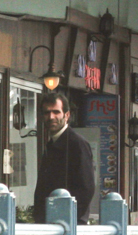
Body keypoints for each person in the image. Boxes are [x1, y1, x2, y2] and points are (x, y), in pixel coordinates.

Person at [33, 92, 95, 223]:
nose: (51, 117)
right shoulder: (52, 144)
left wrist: (72, 218)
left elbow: (86, 187)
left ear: (67, 115)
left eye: (56, 112)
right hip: (50, 222)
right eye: (46, 113)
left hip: (68, 223)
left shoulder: (77, 144)